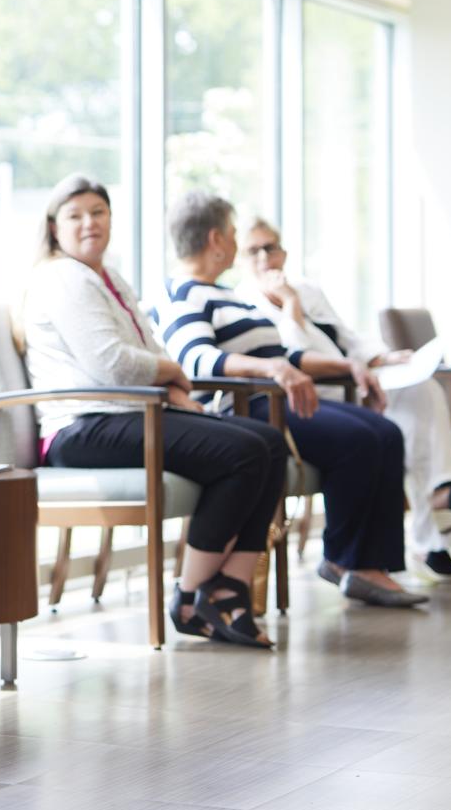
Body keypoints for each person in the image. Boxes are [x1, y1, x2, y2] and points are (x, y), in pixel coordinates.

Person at [21, 175, 288, 647]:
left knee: (266, 441)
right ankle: (190, 598)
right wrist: (170, 375)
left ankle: (230, 587)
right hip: (82, 426)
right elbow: (112, 364)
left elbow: (149, 347)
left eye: (98, 212)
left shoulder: (106, 276)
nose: (90, 223)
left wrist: (169, 382)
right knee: (244, 452)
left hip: (129, 413)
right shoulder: (63, 276)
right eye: (75, 215)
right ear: (54, 227)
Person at [152, 191, 427, 608]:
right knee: (358, 441)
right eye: (231, 232)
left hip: (279, 394)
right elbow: (197, 360)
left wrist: (347, 366)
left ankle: (371, 565)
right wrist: (272, 370)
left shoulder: (228, 294)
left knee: (385, 431)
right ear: (216, 240)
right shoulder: (183, 294)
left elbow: (285, 355)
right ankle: (344, 559)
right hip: (246, 406)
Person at [240, 217, 451, 580]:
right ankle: (436, 529)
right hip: (321, 394)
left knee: (423, 390)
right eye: (255, 250)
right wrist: (289, 304)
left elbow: (347, 337)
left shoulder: (308, 289)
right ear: (240, 257)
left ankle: (442, 495)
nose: (266, 257)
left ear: (285, 252)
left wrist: (383, 357)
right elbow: (292, 355)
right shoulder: (244, 303)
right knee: (390, 431)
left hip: (357, 381)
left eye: (272, 247)